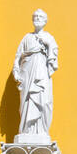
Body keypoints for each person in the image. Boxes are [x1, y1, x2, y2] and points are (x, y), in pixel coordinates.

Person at [12, 9, 58, 140]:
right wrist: (16, 69)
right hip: (27, 72)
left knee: (44, 100)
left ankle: (41, 130)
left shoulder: (49, 38)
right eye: (35, 16)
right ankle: (26, 129)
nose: (37, 18)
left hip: (41, 73)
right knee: (27, 99)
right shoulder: (27, 38)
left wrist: (48, 44)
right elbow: (18, 56)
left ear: (45, 21)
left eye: (40, 16)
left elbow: (53, 58)